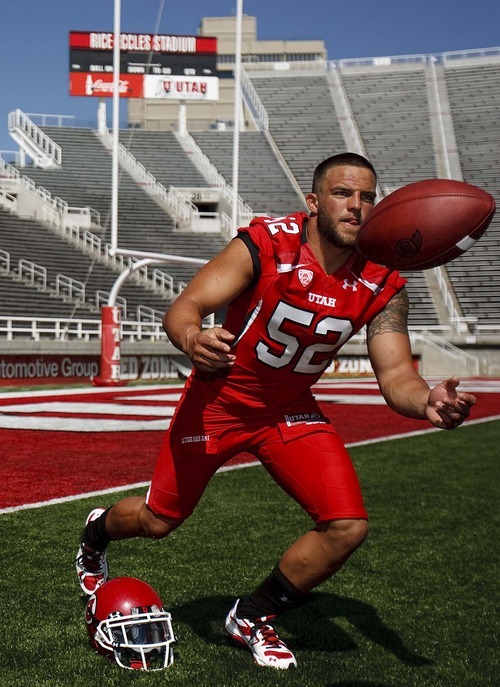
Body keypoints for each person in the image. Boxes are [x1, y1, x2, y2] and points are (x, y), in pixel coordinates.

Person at [76, 152, 476, 670]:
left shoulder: (383, 280)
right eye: (342, 194)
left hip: (288, 410)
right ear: (313, 202)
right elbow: (185, 308)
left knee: (347, 526)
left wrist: (427, 401)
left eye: (368, 197)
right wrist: (194, 338)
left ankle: (252, 615)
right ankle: (95, 534)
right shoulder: (268, 244)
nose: (357, 206)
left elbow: (397, 376)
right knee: (157, 521)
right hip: (219, 403)